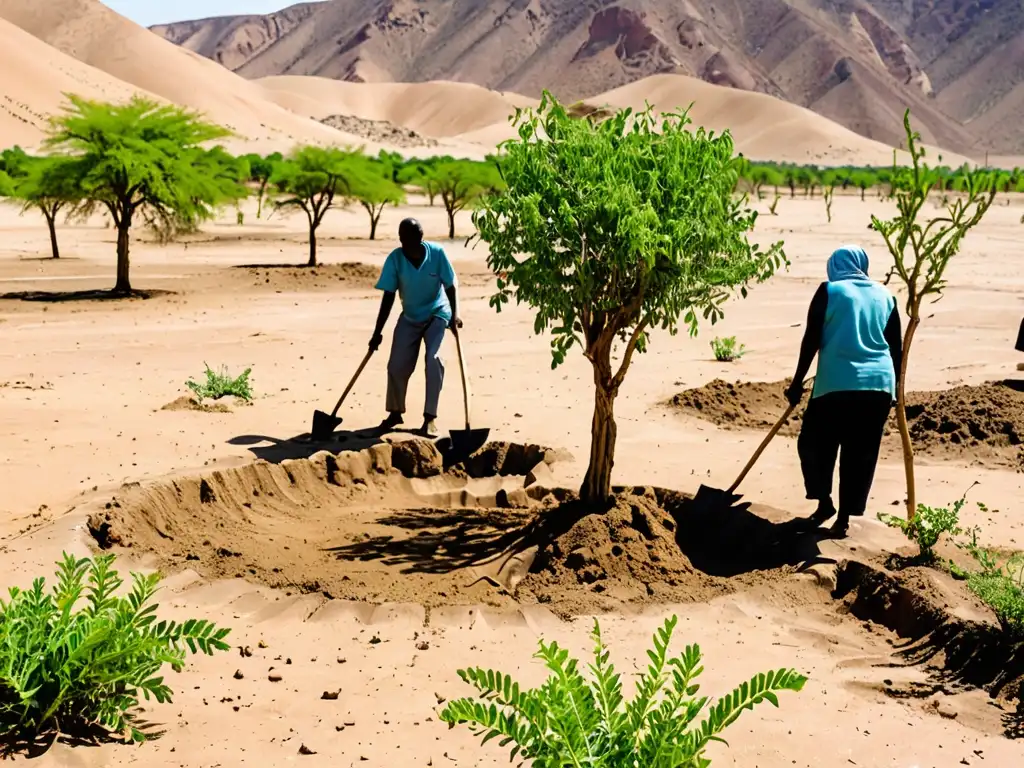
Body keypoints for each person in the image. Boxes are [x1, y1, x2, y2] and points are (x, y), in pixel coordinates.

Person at [785, 245, 903, 538]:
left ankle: (825, 503)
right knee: (860, 453)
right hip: (878, 386)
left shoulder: (830, 291)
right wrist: (896, 390)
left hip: (836, 384)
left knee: (813, 444)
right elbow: (896, 349)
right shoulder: (886, 295)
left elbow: (812, 338)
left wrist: (797, 382)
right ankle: (843, 518)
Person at [369, 218, 461, 437]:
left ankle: (430, 418)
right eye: (402, 239)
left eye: (410, 239)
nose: (405, 244)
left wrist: (455, 316)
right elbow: (388, 296)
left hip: (437, 314)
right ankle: (395, 412)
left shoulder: (437, 254)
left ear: (420, 238)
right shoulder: (395, 259)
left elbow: (450, 285)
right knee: (396, 365)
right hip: (410, 317)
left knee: (434, 359)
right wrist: (377, 332)